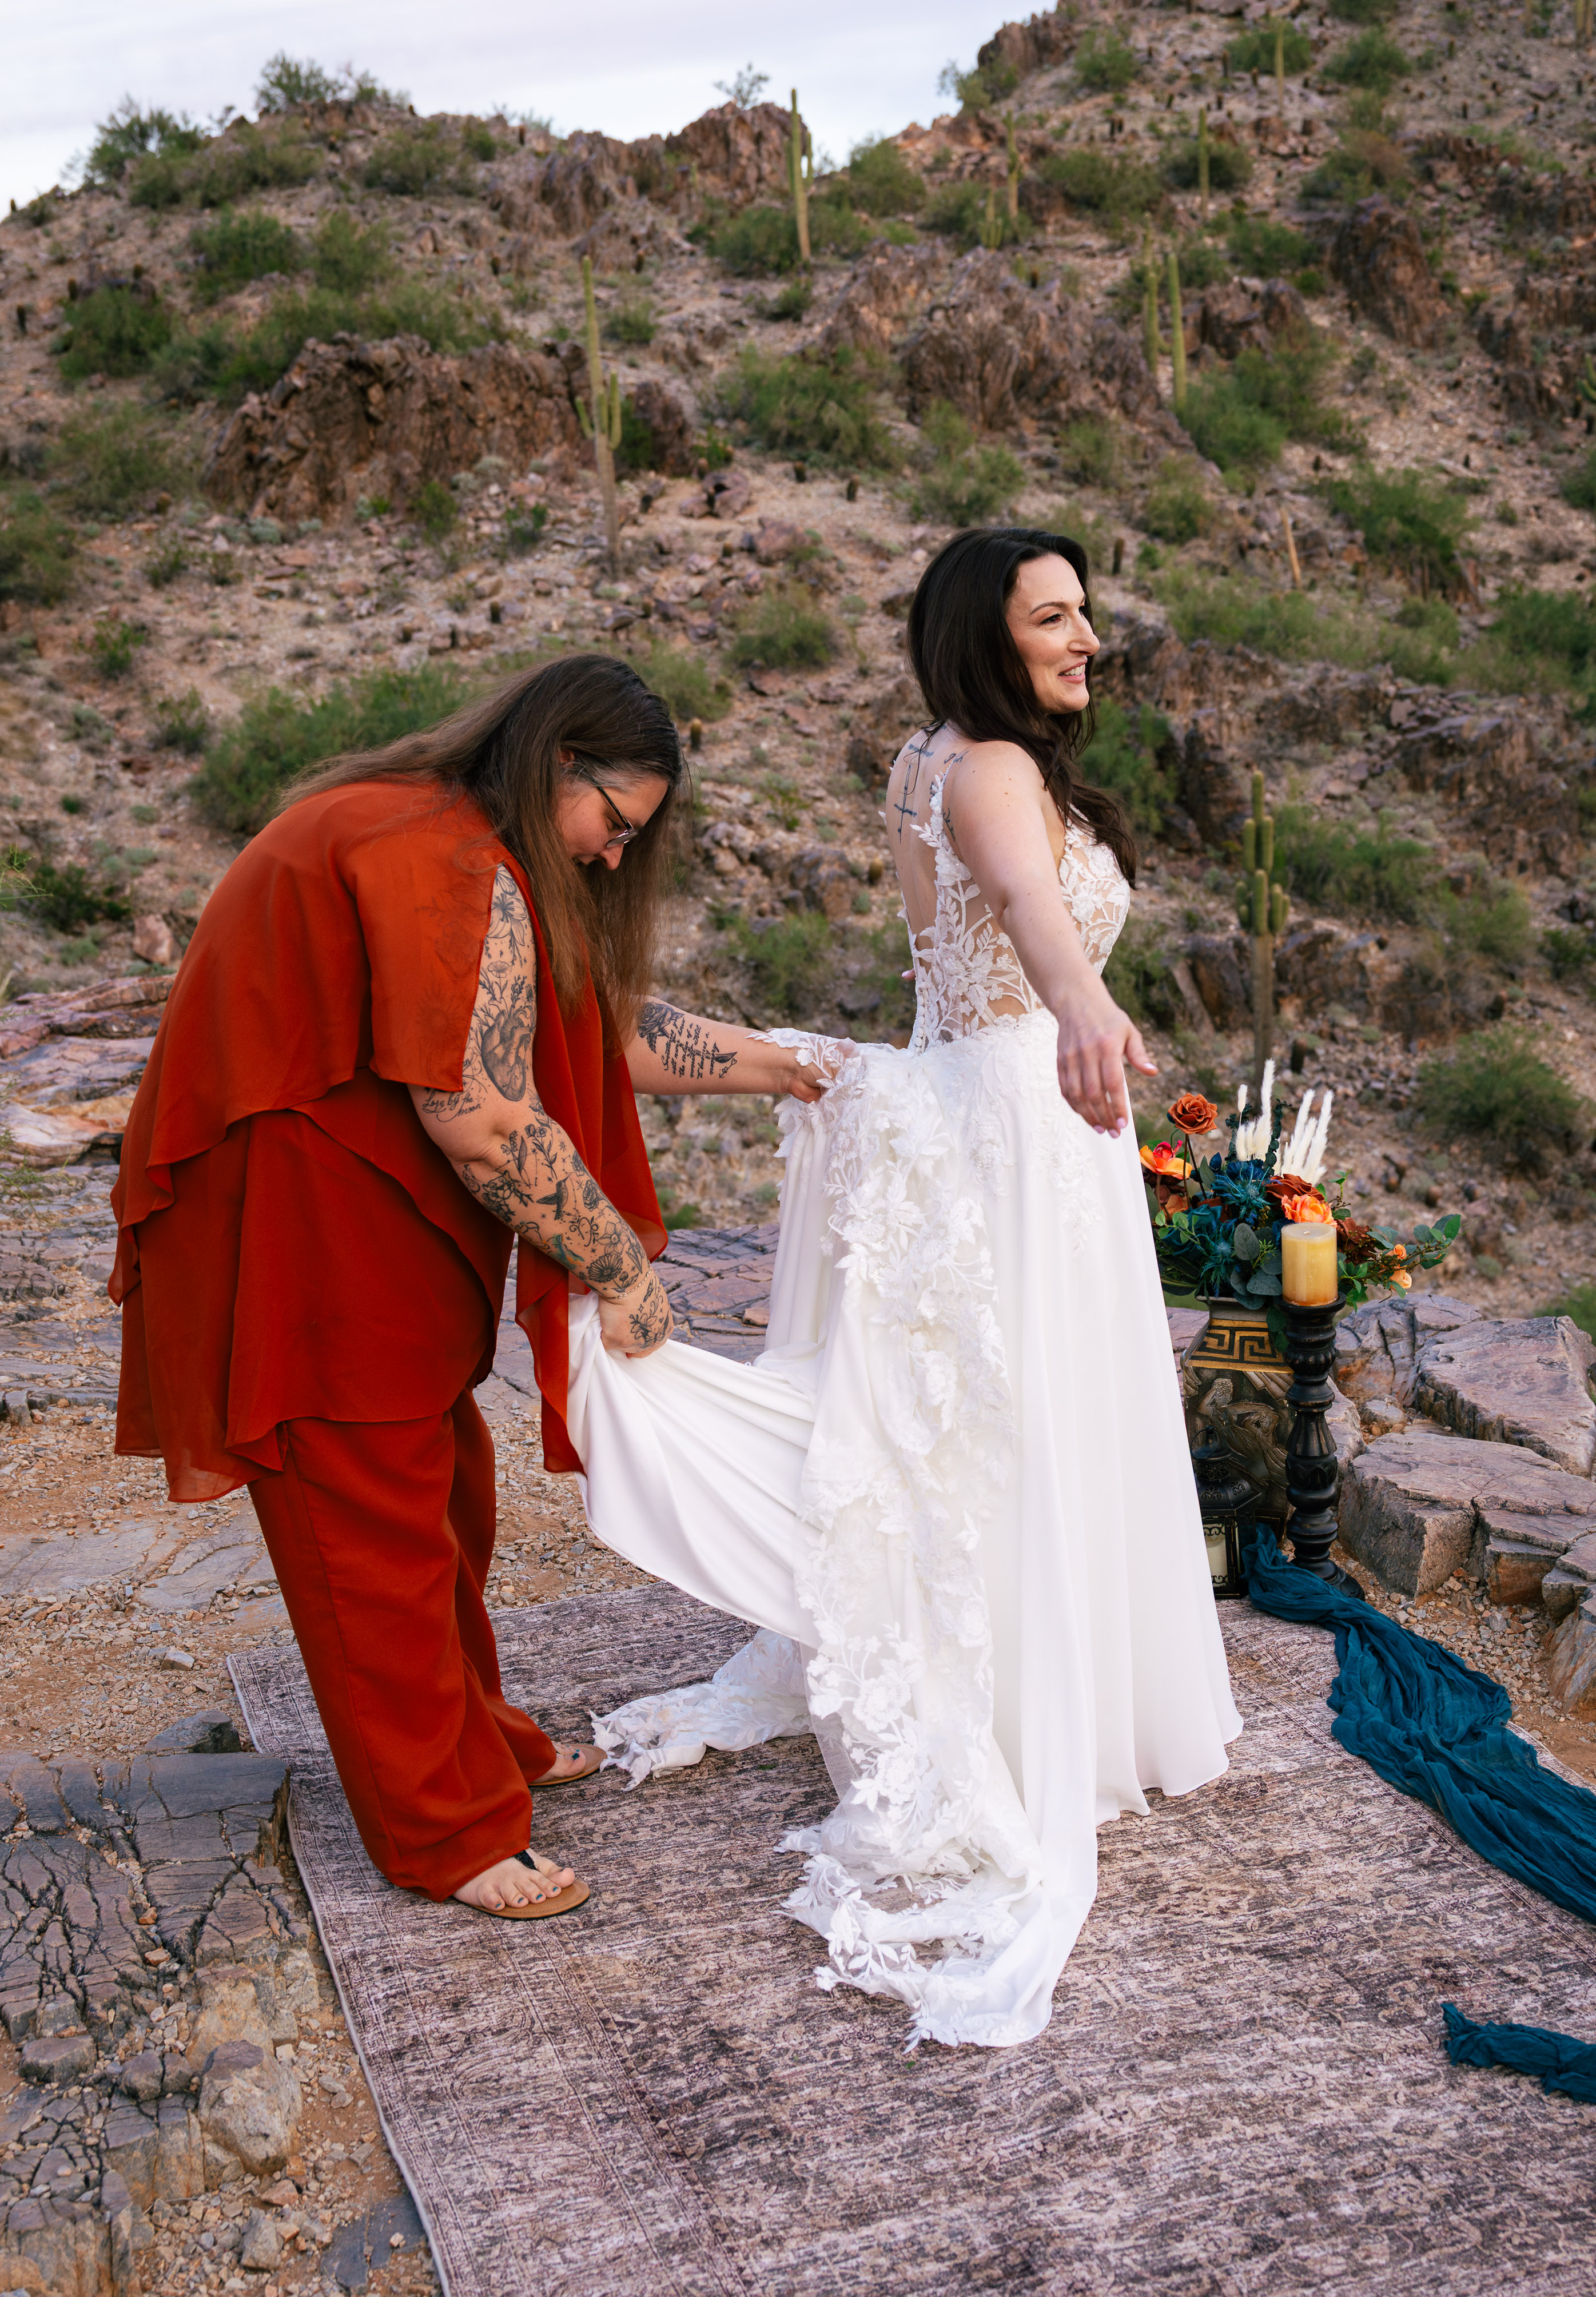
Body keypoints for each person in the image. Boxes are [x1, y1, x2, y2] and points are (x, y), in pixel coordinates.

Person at [568, 529, 1242, 2047]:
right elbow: (1022, 906)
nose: (1089, 638)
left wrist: (1082, 1007)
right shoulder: (992, 768)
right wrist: (1084, 1009)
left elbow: (1003, 924)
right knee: (1019, 1421)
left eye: (1087, 612)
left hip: (990, 1106)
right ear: (984, 635)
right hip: (1017, 1115)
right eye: (1055, 616)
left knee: (990, 1433)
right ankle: (1028, 1720)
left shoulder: (933, 753)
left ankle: (1013, 1685)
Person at [110, 655, 825, 1921]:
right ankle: (441, 1827)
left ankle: (476, 1736)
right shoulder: (439, 861)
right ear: (562, 765)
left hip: (354, 1204)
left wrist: (783, 1064)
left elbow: (576, 1023)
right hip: (296, 1223)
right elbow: (485, 1117)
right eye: (615, 824)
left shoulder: (460, 841)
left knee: (443, 1488)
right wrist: (618, 1262)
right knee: (366, 1517)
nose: (614, 859)